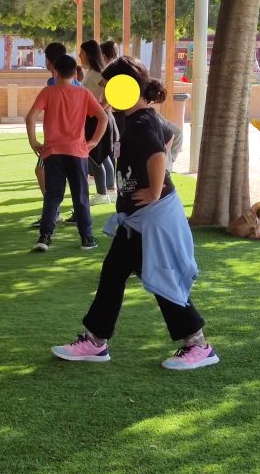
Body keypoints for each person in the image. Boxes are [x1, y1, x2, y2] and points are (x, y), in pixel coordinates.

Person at [52, 56, 219, 371]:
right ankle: (96, 341)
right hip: (138, 221)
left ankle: (198, 345)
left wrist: (154, 190)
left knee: (161, 278)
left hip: (152, 218)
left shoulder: (140, 123)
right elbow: (168, 137)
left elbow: (157, 154)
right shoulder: (138, 117)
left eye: (108, 87)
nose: (104, 93)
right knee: (115, 273)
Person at [26, 53, 108, 253]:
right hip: (77, 153)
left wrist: (33, 141)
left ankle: (45, 237)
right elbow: (103, 117)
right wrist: (93, 142)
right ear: (75, 73)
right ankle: (87, 238)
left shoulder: (48, 92)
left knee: (53, 195)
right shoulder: (83, 93)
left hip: (52, 152)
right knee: (80, 195)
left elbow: (30, 116)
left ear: (55, 72)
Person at [78, 40, 118, 205]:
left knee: (94, 155)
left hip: (96, 119)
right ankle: (110, 190)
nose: (79, 56)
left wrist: (100, 108)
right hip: (97, 118)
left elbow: (111, 90)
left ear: (89, 54)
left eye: (81, 53)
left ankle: (102, 193)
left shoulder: (96, 74)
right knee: (103, 155)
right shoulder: (92, 73)